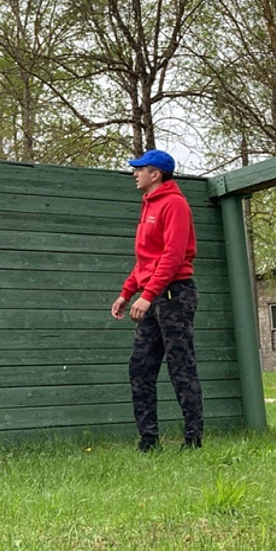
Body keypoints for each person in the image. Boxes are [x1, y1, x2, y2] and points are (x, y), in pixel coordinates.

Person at [110, 149, 204, 451]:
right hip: (154, 295)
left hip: (175, 294)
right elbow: (146, 259)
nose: (135, 173)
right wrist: (127, 293)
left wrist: (147, 295)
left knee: (181, 366)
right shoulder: (148, 205)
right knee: (140, 367)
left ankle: (193, 440)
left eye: (140, 169)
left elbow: (173, 256)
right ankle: (148, 442)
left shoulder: (174, 204)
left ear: (156, 174)